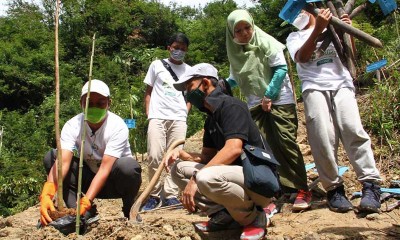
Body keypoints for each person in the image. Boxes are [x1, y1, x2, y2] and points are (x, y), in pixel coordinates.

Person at [166, 63, 277, 240]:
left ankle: (255, 218)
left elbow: (233, 149)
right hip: (237, 177)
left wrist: (195, 178)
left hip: (258, 181)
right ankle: (225, 215)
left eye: (189, 87)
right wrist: (182, 154)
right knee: (179, 169)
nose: (187, 93)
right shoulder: (211, 119)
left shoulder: (232, 106)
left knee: (204, 176)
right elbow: (207, 157)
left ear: (205, 83)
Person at [286, 9, 381, 213]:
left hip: (342, 83)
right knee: (322, 136)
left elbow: (350, 54)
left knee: (352, 128)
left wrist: (347, 30)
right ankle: (334, 189)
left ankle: (371, 185)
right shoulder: (294, 36)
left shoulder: (334, 24)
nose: (298, 15)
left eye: (301, 10)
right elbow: (302, 57)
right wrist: (317, 29)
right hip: (313, 87)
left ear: (311, 8)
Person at [226, 9, 312, 211]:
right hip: (254, 103)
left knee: (285, 142)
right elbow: (233, 79)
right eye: (238, 30)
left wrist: (269, 96)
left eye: (247, 27)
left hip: (279, 99)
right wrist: (216, 87)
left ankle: (301, 188)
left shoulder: (267, 42)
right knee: (263, 148)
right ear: (232, 34)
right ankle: (276, 189)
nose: (245, 33)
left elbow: (280, 69)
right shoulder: (235, 52)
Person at [39, 79, 142, 226]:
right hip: (87, 178)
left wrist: (87, 200)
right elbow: (64, 161)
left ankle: (130, 210)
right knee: (53, 157)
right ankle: (79, 213)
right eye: (89, 103)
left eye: (100, 103)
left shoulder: (117, 126)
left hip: (113, 181)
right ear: (81, 103)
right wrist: (48, 190)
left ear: (109, 103)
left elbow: (105, 168)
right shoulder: (73, 125)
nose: (94, 108)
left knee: (128, 167)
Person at [142, 32, 191, 210]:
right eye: (176, 48)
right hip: (158, 116)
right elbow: (149, 90)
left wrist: (185, 112)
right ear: (169, 47)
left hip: (178, 118)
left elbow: (190, 95)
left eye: (182, 49)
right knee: (154, 156)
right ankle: (153, 195)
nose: (179, 51)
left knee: (175, 158)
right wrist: (149, 113)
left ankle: (170, 194)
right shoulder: (156, 65)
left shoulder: (189, 70)